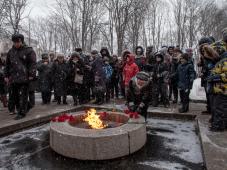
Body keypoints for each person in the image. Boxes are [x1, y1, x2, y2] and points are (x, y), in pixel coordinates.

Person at [5, 34, 37, 120]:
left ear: (21, 41)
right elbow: (7, 65)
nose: (16, 44)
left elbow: (33, 64)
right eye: (14, 42)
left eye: (18, 42)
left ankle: (22, 113)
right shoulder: (11, 52)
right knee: (14, 96)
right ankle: (27, 106)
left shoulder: (29, 51)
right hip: (14, 77)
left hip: (25, 77)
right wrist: (6, 75)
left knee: (23, 95)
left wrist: (31, 74)